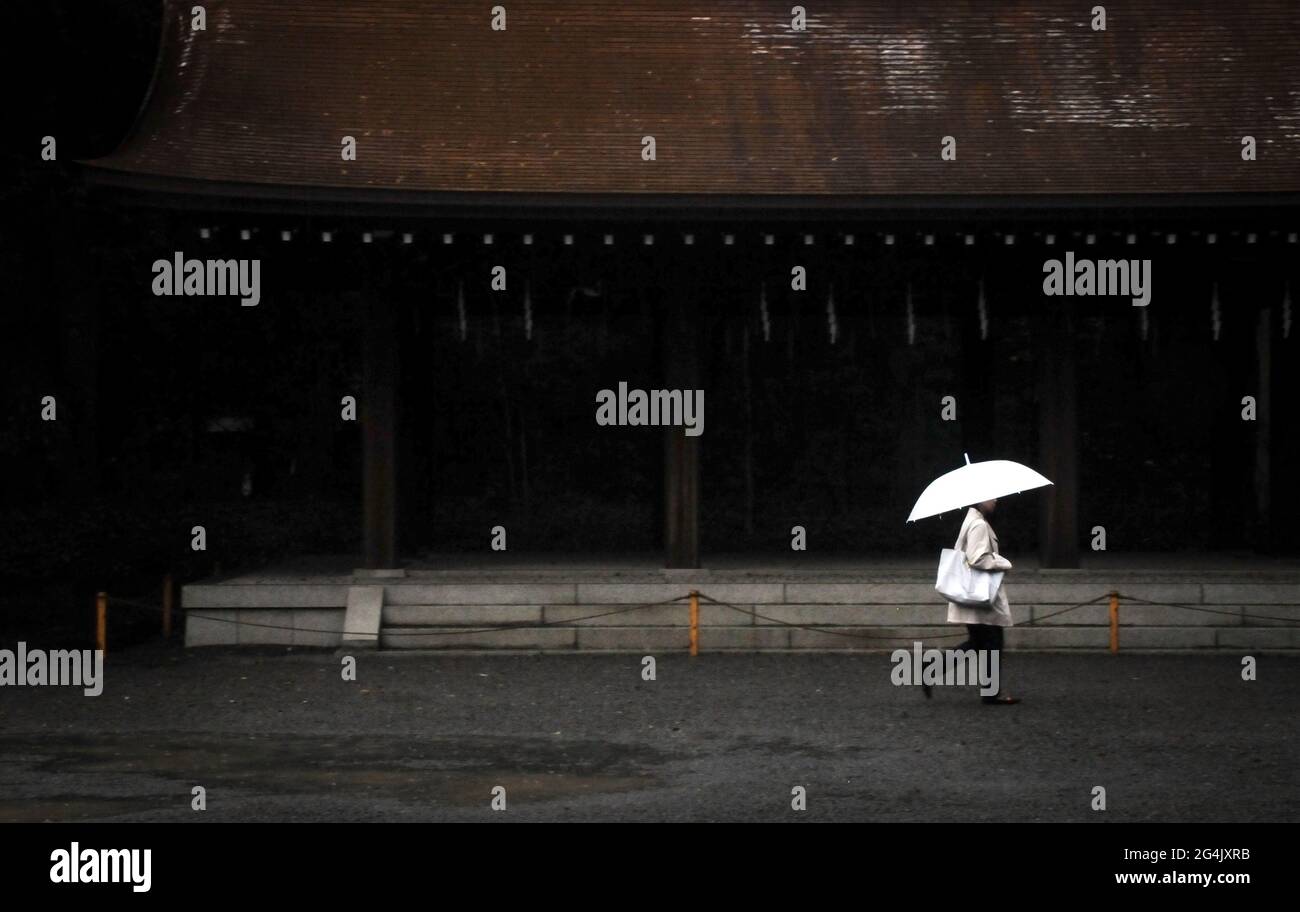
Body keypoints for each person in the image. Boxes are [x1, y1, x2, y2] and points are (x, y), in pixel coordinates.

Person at [926, 498, 1020, 705]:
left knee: (979, 643)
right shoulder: (978, 524)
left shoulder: (972, 520)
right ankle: (990, 693)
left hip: (973, 597)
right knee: (993, 643)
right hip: (980, 598)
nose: (996, 499)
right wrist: (1003, 563)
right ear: (980, 500)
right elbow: (977, 558)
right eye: (991, 496)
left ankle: (931, 670)